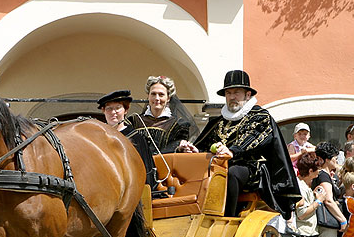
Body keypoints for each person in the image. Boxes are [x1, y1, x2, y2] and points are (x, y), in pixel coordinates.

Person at [180, 70, 299, 218]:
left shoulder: (260, 117)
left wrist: (233, 151)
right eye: (228, 93)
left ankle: (228, 217)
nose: (231, 97)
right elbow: (205, 144)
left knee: (232, 173)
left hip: (251, 168)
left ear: (247, 95)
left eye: (236, 92)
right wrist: (194, 150)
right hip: (218, 166)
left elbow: (255, 137)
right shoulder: (218, 122)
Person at [97, 90, 157, 189]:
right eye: (109, 108)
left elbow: (146, 169)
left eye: (118, 108)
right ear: (103, 111)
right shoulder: (99, 138)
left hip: (131, 189)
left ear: (126, 110)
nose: (113, 112)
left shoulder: (136, 137)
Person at [126, 76, 198, 155]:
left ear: (168, 98)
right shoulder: (133, 121)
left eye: (161, 95)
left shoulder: (179, 125)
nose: (157, 98)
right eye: (153, 94)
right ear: (148, 96)